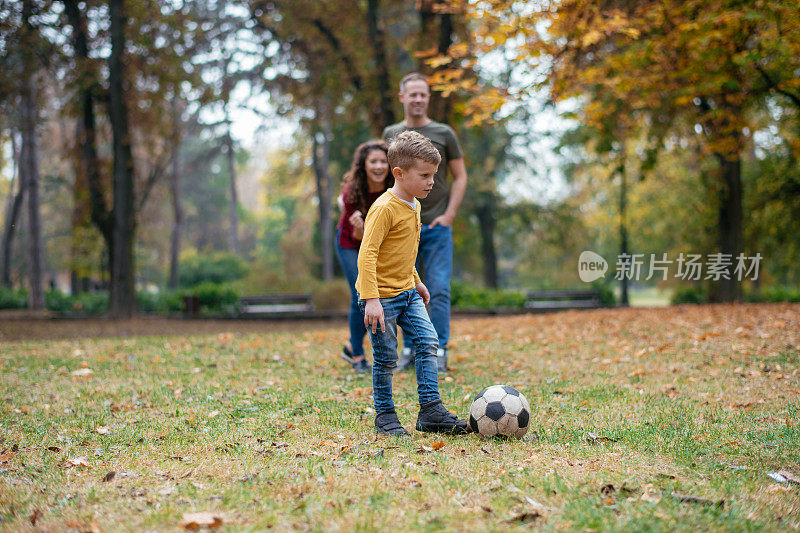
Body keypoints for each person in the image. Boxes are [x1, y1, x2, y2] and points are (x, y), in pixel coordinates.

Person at [356, 130, 469, 435]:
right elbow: (367, 256)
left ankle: (431, 411)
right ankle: (385, 416)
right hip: (381, 299)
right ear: (400, 174)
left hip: (408, 293)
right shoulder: (383, 209)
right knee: (386, 358)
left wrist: (416, 280)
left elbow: (405, 251)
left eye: (434, 174)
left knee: (428, 342)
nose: (432, 181)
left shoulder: (415, 205)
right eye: (425, 175)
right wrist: (372, 300)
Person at [382, 72, 468, 373]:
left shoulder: (444, 132)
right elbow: (388, 176)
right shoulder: (391, 132)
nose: (418, 99)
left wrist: (449, 215)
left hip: (436, 226)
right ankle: (410, 347)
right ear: (402, 97)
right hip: (402, 226)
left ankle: (438, 349)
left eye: (423, 94)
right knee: (404, 289)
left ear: (428, 97)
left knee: (439, 288)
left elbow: (460, 176)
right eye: (412, 94)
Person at [335, 140, 393, 373]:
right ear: (364, 165)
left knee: (375, 295)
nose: (379, 166)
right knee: (360, 294)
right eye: (373, 162)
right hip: (350, 243)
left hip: (376, 247)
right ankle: (357, 354)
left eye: (383, 161)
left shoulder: (392, 188)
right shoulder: (353, 191)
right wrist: (360, 229)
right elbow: (358, 237)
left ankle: (351, 346)